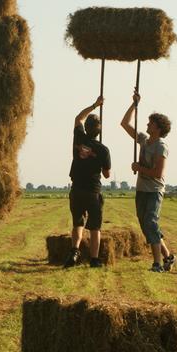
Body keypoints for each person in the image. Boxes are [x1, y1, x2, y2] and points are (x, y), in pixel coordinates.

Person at [121, 92, 176, 272]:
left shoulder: (161, 146)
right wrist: (134, 105)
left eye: (151, 122)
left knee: (151, 223)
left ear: (158, 128)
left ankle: (157, 263)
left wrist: (139, 168)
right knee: (146, 226)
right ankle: (168, 257)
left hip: (154, 191)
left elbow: (158, 173)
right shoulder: (144, 140)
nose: (147, 124)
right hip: (141, 190)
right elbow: (125, 124)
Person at [64, 96, 111, 268]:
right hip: (93, 191)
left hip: (76, 189)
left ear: (87, 128)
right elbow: (106, 174)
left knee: (78, 222)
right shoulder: (103, 150)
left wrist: (94, 105)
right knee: (94, 227)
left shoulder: (79, 138)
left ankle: (74, 251)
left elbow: (78, 118)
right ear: (98, 131)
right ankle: (94, 259)